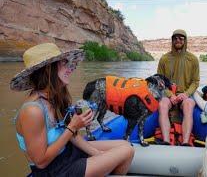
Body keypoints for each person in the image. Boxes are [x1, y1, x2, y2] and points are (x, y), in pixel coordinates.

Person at [10, 43, 134, 177]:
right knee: (126, 151)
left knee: (124, 145)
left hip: (68, 154)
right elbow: (40, 162)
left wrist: (99, 155)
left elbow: (73, 137)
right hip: (53, 171)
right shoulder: (32, 111)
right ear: (48, 69)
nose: (69, 68)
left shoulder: (55, 98)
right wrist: (72, 127)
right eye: (63, 63)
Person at [157, 29, 200, 146]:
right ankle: (166, 140)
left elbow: (195, 82)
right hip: (168, 94)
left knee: (189, 104)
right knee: (162, 104)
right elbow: (160, 82)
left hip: (185, 95)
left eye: (181, 38)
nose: (178, 40)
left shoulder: (193, 59)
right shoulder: (164, 59)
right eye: (175, 38)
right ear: (172, 41)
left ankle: (185, 142)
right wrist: (170, 95)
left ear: (185, 41)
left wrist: (186, 94)